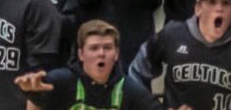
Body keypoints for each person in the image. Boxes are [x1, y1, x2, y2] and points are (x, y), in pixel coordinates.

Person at [16, 20, 156, 109]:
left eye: (107, 48)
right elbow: (40, 94)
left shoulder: (131, 90)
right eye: (94, 48)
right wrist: (32, 91)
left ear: (117, 54)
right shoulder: (63, 80)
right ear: (81, 54)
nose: (101, 53)